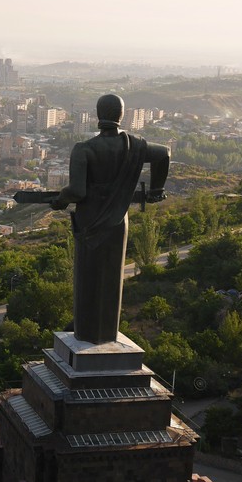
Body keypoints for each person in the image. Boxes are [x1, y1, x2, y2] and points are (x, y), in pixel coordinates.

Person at [51, 94, 169, 344]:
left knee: (88, 278)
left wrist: (60, 200)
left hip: (90, 223)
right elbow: (164, 154)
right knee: (113, 278)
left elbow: (77, 192)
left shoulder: (85, 150)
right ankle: (107, 335)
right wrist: (157, 190)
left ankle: (86, 335)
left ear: (97, 115)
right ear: (121, 116)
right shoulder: (134, 146)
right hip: (117, 221)